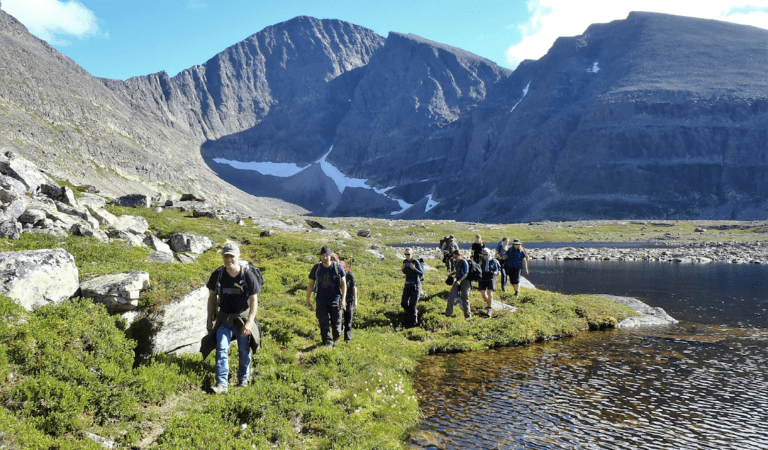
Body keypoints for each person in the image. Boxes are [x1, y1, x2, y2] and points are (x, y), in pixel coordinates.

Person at [206, 244, 260, 394]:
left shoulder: (248, 275)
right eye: (226, 256)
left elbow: (254, 301)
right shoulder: (218, 274)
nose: (229, 259)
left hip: (242, 318)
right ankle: (222, 384)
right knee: (222, 348)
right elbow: (212, 297)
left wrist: (249, 322)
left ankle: (243, 379)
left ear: (238, 257)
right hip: (224, 318)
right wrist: (209, 318)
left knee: (243, 349)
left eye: (232, 256)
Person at [306, 246, 347, 348]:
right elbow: (311, 283)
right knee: (323, 322)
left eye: (327, 255)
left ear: (330, 256)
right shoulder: (317, 268)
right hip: (321, 300)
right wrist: (308, 299)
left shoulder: (338, 267)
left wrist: (343, 299)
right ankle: (327, 341)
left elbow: (344, 284)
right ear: (320, 257)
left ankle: (336, 337)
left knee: (336, 324)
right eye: (323, 255)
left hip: (335, 299)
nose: (325, 257)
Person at [401, 247, 423, 327]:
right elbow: (406, 272)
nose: (407, 256)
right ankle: (413, 314)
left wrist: (414, 269)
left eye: (408, 254)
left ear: (412, 254)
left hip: (415, 285)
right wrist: (403, 269)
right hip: (407, 284)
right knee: (403, 303)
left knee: (413, 305)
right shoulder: (404, 261)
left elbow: (421, 273)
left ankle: (414, 324)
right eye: (405, 254)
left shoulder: (415, 262)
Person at [446, 250, 471, 319]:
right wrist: (452, 274)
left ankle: (467, 315)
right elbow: (457, 271)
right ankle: (448, 313)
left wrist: (460, 280)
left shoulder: (464, 262)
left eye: (456, 257)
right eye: (454, 257)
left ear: (460, 255)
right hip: (458, 280)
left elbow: (466, 273)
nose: (455, 258)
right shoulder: (456, 262)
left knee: (465, 297)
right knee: (451, 294)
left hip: (465, 281)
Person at [478, 248, 500, 317]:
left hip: (491, 277)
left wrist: (496, 272)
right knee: (483, 294)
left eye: (486, 254)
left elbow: (497, 269)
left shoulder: (493, 260)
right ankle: (489, 303)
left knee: (490, 293)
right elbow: (478, 268)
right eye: (483, 254)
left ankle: (489, 309)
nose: (485, 255)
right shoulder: (481, 260)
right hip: (482, 277)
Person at [342, 263, 357, 342]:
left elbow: (354, 287)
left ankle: (347, 339)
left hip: (350, 300)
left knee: (348, 320)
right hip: (340, 300)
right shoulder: (336, 274)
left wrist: (355, 301)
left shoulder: (350, 275)